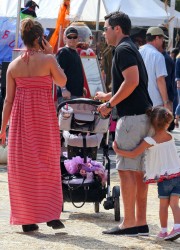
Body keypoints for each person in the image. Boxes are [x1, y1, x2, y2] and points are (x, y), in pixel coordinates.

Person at [0, 18, 68, 233]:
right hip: (43, 119)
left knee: (23, 169)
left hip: (20, 120)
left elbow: (8, 101)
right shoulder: (48, 60)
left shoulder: (13, 65)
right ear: (40, 38)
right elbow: (63, 81)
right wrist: (52, 55)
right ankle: (50, 215)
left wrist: (2, 129)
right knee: (47, 166)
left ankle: (27, 217)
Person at [94, 11, 152, 236]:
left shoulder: (123, 49)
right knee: (138, 174)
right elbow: (132, 85)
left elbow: (132, 82)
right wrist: (108, 95)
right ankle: (140, 222)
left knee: (127, 172)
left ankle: (129, 223)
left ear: (117, 28)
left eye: (106, 28)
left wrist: (109, 105)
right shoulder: (131, 48)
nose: (105, 33)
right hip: (141, 116)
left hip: (131, 118)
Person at [113, 106, 180, 241]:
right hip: (177, 175)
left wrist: (118, 150)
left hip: (164, 178)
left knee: (163, 205)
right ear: (167, 123)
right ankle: (178, 226)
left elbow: (133, 154)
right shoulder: (171, 137)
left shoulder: (150, 140)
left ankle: (163, 231)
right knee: (174, 204)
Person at [139, 27, 171, 110]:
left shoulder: (138, 52)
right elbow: (160, 80)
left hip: (140, 101)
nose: (163, 41)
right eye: (162, 39)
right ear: (157, 38)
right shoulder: (158, 55)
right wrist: (166, 102)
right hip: (155, 102)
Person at [56, 26, 84, 103]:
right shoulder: (64, 52)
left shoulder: (75, 53)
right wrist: (63, 89)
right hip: (67, 96)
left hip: (75, 95)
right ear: (65, 38)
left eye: (74, 37)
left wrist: (81, 88)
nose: (72, 39)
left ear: (78, 38)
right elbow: (59, 73)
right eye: (69, 37)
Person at [158, 41, 175, 131]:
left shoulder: (165, 59)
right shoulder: (165, 58)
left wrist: (166, 100)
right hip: (167, 94)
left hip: (166, 95)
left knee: (164, 125)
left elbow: (165, 80)